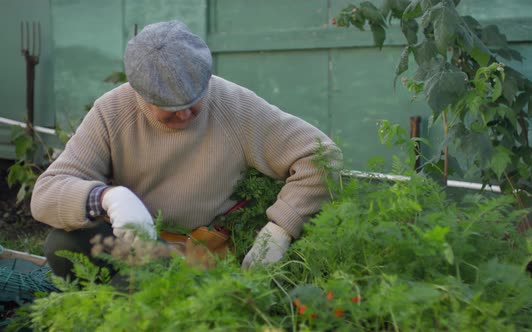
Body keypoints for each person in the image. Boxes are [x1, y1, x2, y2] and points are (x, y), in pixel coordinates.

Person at [30, 20, 341, 279]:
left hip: (206, 253)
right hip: (142, 246)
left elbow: (321, 155)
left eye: (193, 103)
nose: (184, 115)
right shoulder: (112, 112)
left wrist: (281, 228)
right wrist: (108, 198)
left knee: (136, 287)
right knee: (63, 244)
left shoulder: (234, 105)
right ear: (139, 94)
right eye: (170, 108)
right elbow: (47, 192)